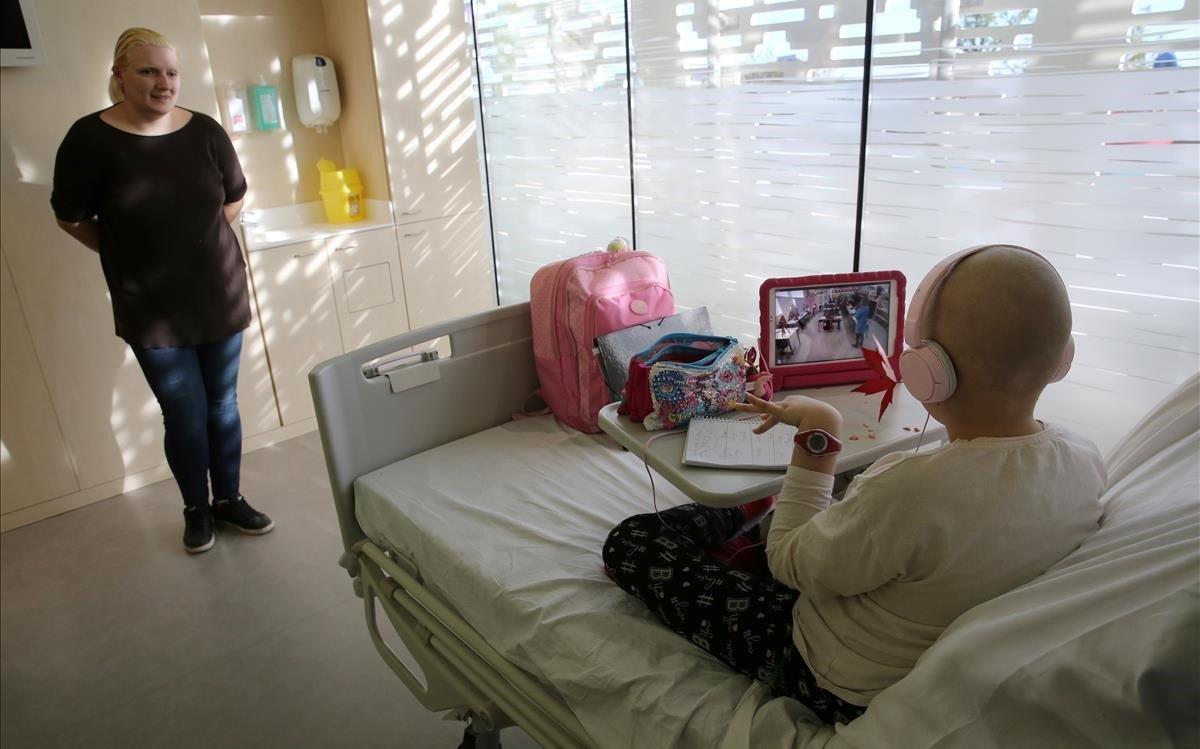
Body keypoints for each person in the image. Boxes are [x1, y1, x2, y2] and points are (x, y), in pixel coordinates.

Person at [602, 245, 1105, 724]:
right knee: (826, 509)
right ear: (1062, 358)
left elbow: (791, 564)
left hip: (835, 673)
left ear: (927, 372)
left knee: (632, 541)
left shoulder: (912, 489)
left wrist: (820, 431)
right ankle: (762, 513)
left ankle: (755, 506)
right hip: (916, 622)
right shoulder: (1086, 461)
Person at [51, 28, 273, 554]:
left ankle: (229, 500)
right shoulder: (89, 139)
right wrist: (130, 252)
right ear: (120, 77)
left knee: (222, 403)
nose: (163, 82)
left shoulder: (206, 132)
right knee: (184, 411)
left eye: (171, 72)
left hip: (219, 293)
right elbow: (71, 217)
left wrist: (198, 247)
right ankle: (197, 508)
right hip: (150, 307)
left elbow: (234, 200)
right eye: (149, 71)